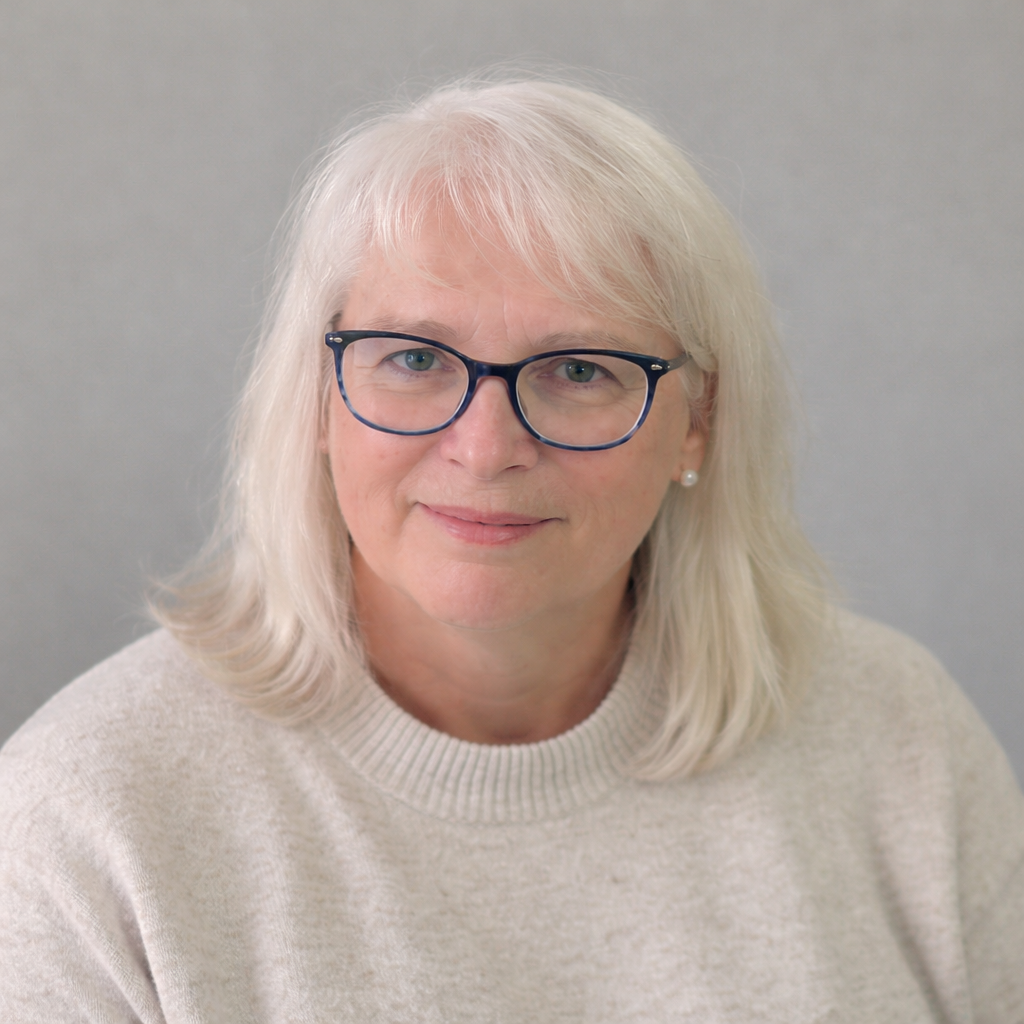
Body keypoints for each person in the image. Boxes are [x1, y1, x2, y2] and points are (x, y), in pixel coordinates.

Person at [1, 78, 1021, 1022]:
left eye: (579, 368)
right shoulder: (91, 813)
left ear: (697, 420)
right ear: (317, 396)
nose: (486, 448)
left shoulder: (900, 741)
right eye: (411, 358)